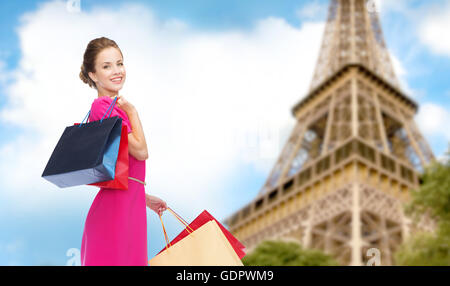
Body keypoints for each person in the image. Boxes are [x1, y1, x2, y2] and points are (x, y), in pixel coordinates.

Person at [78, 36, 167, 266]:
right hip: (115, 214)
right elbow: (140, 151)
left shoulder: (114, 108)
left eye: (119, 63)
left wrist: (144, 198)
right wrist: (133, 111)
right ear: (93, 75)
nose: (117, 71)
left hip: (128, 206)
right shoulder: (103, 107)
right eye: (106, 66)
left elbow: (120, 170)